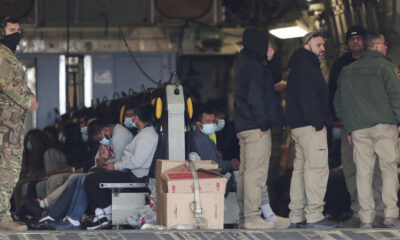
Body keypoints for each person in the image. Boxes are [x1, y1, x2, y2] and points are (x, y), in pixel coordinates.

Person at [334, 31, 400, 229]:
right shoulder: (388, 68)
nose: (387, 48)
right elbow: (396, 97)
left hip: (358, 131)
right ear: (378, 45)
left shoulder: (346, 71)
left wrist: (348, 127)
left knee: (363, 173)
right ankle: (390, 214)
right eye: (385, 44)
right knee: (388, 169)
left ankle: (366, 217)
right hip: (384, 127)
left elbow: (338, 104)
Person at [328, 26, 384, 228]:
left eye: (359, 38)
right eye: (351, 39)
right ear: (347, 42)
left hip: (373, 124)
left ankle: (378, 212)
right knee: (351, 169)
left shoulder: (377, 62)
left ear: (365, 41)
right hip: (348, 126)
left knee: (375, 168)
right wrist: (336, 120)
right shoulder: (340, 65)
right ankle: (358, 211)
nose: (355, 42)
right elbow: (333, 94)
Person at [234, 28, 284, 229]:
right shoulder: (253, 67)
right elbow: (256, 97)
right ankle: (252, 217)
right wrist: (263, 123)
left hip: (245, 125)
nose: (268, 47)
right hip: (256, 127)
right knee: (256, 174)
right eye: (265, 43)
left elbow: (275, 78)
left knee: (247, 173)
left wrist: (270, 60)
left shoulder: (248, 64)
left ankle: (245, 215)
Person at [285, 32, 336, 228]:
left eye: (323, 44)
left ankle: (296, 216)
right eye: (318, 45)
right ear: (307, 47)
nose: (322, 48)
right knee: (316, 170)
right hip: (310, 127)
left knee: (300, 171)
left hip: (299, 127)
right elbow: (308, 100)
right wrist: (319, 123)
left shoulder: (298, 67)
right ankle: (314, 216)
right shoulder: (308, 68)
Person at [83, 103, 158, 229]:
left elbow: (136, 161)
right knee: (94, 176)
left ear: (136, 118)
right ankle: (102, 214)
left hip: (136, 177)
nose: (131, 118)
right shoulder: (143, 133)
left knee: (92, 180)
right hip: (130, 173)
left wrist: (115, 166)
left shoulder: (147, 135)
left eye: (132, 115)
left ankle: (104, 215)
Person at [0, 16, 38, 230]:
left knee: (6, 168)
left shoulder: (10, 56)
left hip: (11, 120)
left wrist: (31, 96)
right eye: (12, 29)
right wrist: (27, 101)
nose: (17, 33)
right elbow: (6, 85)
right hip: (8, 122)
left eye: (19, 29)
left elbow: (19, 84)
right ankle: (2, 218)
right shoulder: (3, 55)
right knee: (9, 170)